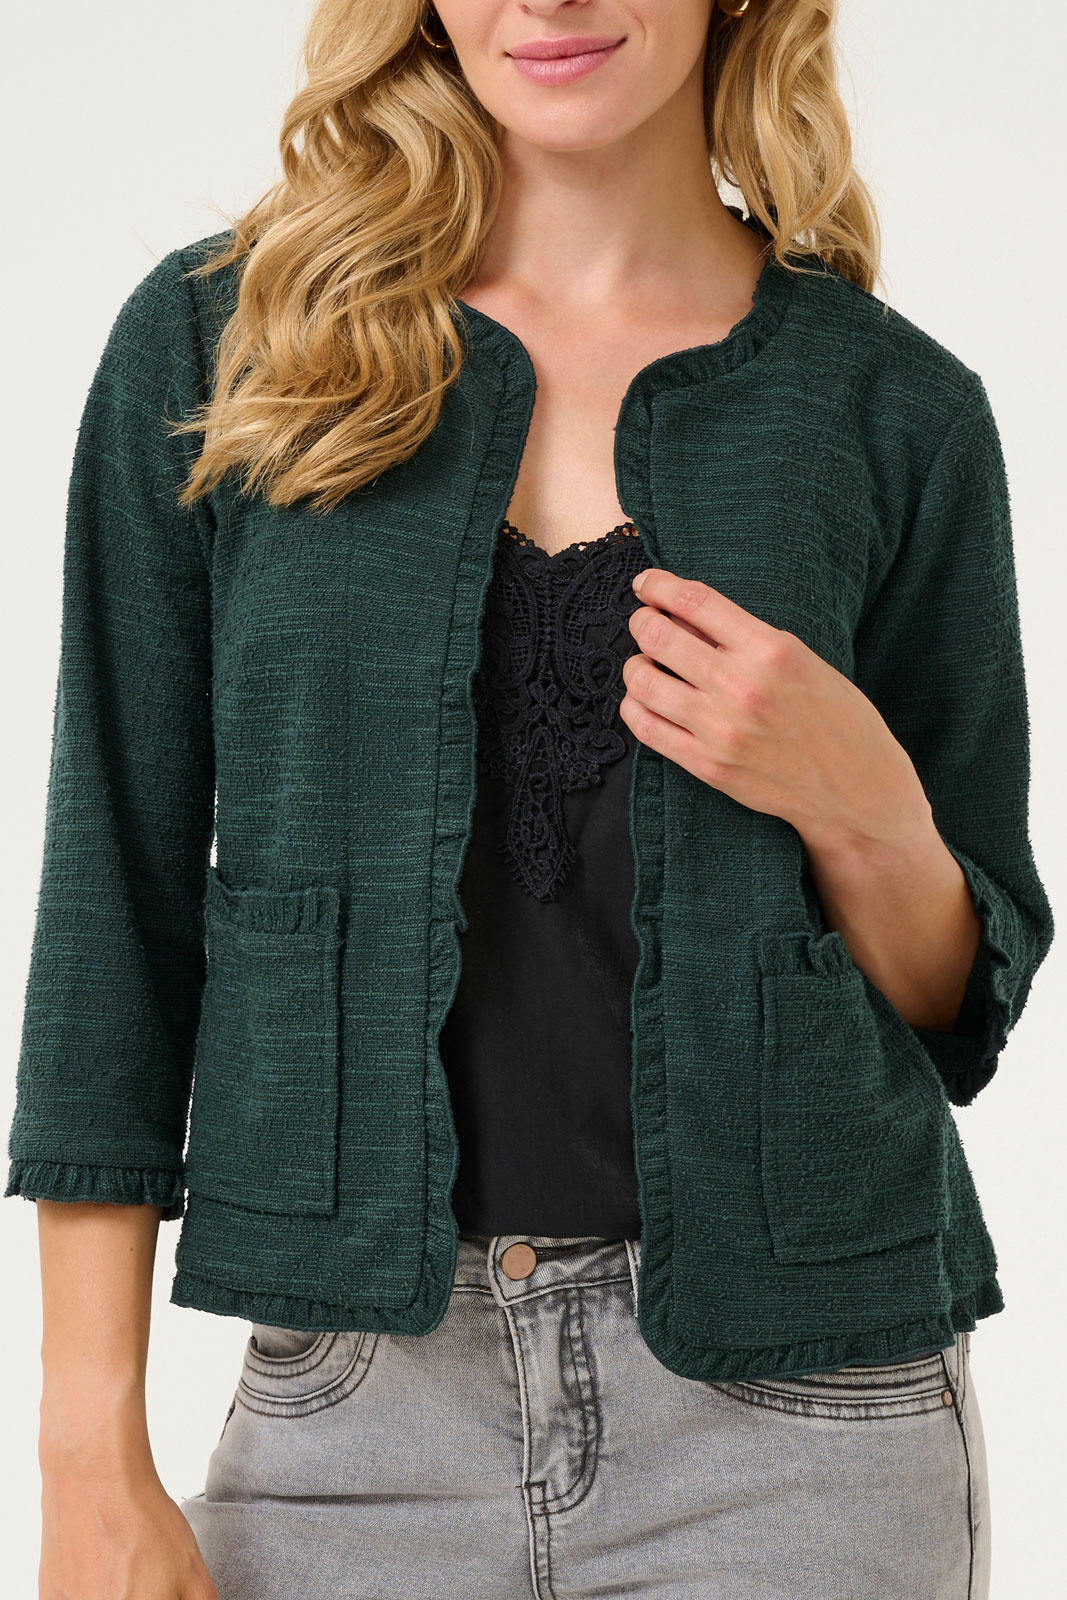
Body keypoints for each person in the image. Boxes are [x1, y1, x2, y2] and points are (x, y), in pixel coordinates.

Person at [6, 1, 1054, 1596]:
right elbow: (114, 900)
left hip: (805, 1432)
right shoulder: (231, 345)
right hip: (352, 1425)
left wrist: (865, 806)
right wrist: (85, 1449)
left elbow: (952, 1007)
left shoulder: (890, 408)